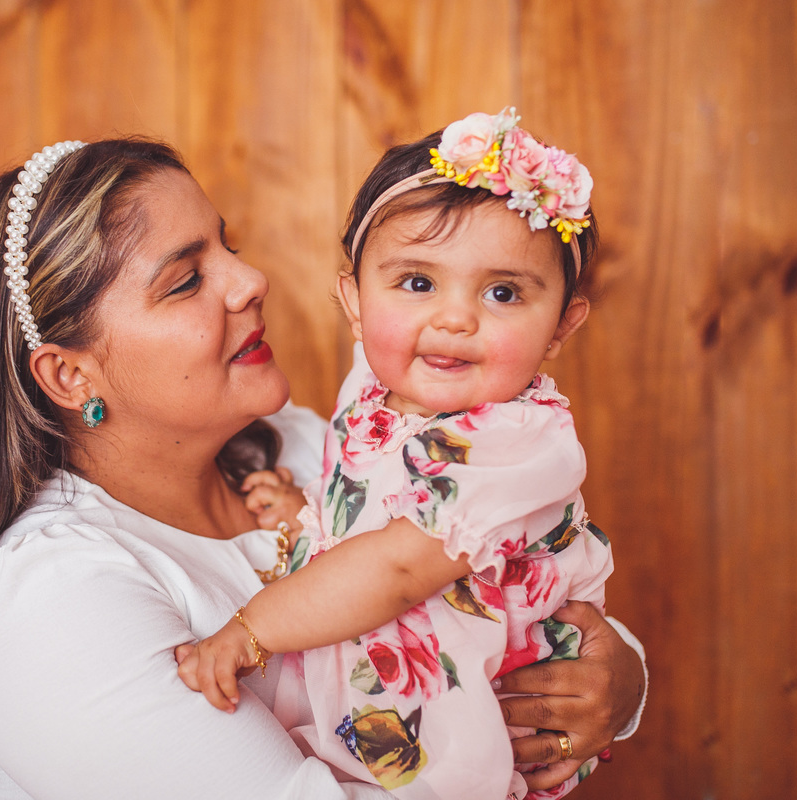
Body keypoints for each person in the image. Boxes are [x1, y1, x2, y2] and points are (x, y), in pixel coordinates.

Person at [0, 135, 647, 800]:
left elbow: (491, 580)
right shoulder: (58, 601)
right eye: (185, 280)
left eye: (226, 246)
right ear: (70, 376)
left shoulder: (295, 447)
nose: (250, 279)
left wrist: (619, 680)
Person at [176, 110, 620, 799]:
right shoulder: (379, 389)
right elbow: (373, 505)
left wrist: (251, 632)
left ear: (562, 324)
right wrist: (311, 515)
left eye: (503, 293)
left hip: (456, 741)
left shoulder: (519, 439)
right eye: (417, 283)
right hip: (376, 729)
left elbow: (398, 565)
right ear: (354, 300)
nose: (454, 318)